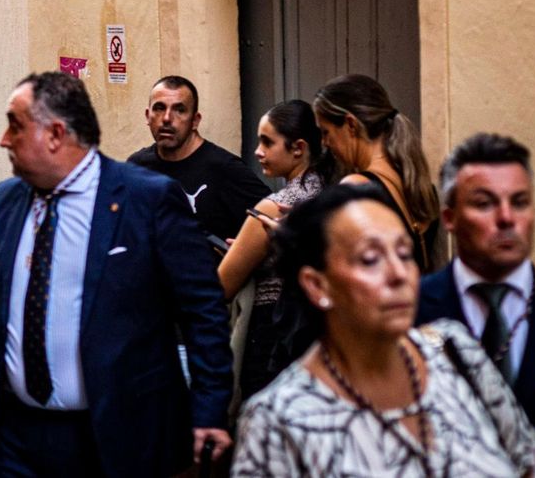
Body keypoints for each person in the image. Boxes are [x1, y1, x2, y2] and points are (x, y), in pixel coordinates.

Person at [0, 71, 233, 477]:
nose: (3, 139)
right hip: (14, 441)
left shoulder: (146, 200)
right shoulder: (4, 201)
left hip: (117, 438)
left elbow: (203, 311)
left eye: (15, 126)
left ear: (55, 134)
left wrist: (209, 408)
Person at [233, 184, 535, 475]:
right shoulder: (278, 420)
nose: (399, 274)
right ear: (317, 285)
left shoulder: (454, 351)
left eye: (404, 254)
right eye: (371, 259)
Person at [417, 133, 535, 475]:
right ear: (449, 218)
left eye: (520, 202)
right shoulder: (404, 316)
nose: (507, 218)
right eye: (484, 203)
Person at [217, 100, 332, 401]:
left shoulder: (274, 208)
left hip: (273, 334)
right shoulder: (332, 196)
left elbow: (222, 286)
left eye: (267, 142)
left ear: (299, 148)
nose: (258, 151)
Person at [313, 73, 444, 273]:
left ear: (350, 125)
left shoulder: (356, 188)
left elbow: (335, 269)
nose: (324, 143)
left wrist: (291, 235)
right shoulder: (421, 188)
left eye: (325, 132)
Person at [127, 75, 271, 244]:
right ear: (147, 116)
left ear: (195, 121)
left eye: (179, 110)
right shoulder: (137, 167)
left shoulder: (224, 169)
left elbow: (276, 222)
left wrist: (244, 251)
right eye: (159, 108)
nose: (166, 118)